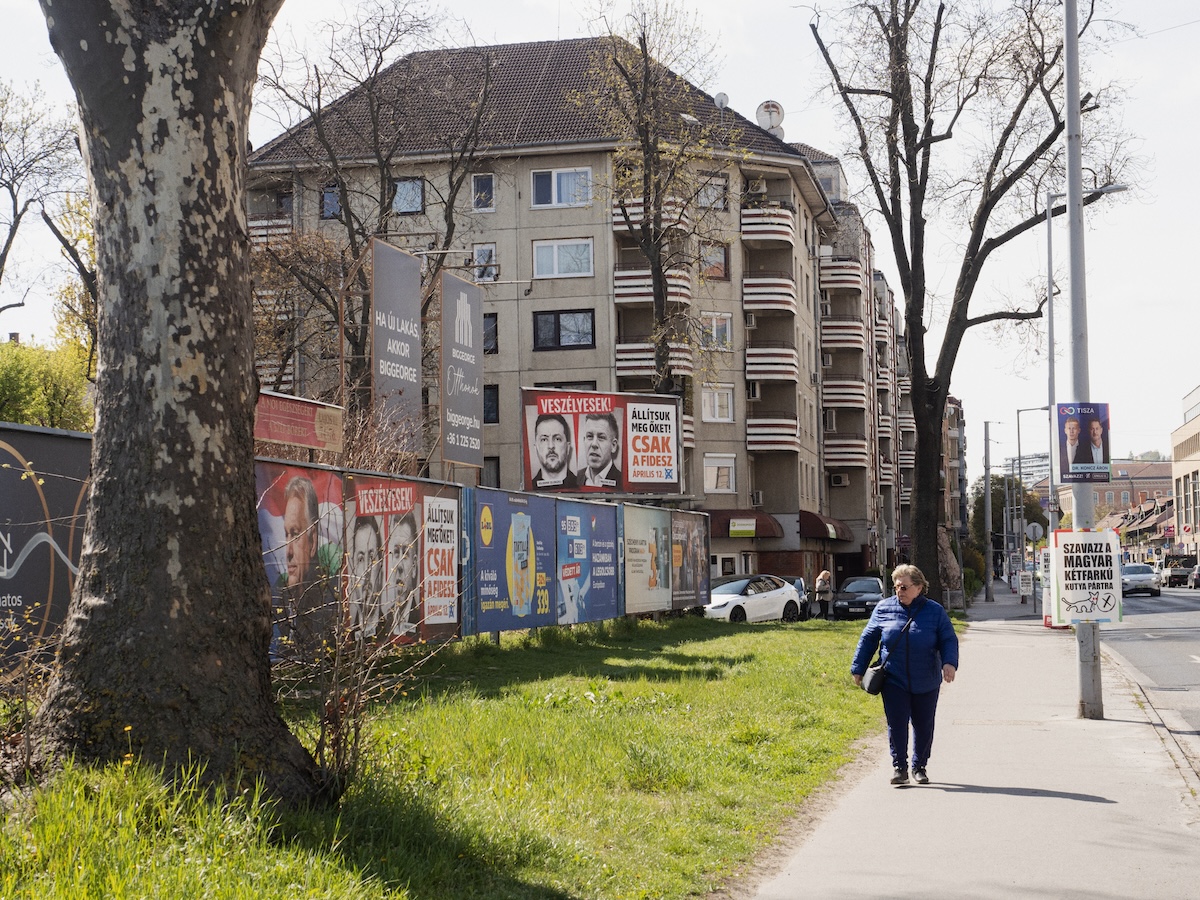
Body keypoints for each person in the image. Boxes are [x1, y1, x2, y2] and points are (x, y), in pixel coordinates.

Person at [851, 564, 959, 785]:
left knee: (923, 724)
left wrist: (949, 663)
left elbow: (948, 639)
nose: (899, 591)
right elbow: (868, 639)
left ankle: (919, 766)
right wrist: (858, 668)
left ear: (919, 587)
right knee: (897, 723)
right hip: (894, 678)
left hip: (926, 678)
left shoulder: (934, 611)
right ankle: (899, 767)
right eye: (897, 586)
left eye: (904, 587)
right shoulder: (883, 608)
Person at [279, 474, 338, 660]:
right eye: (286, 534)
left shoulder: (326, 594)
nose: (288, 551)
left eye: (295, 534)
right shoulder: (278, 596)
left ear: (312, 542)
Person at [384, 511, 420, 638]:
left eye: (405, 554)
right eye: (396, 553)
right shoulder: (386, 620)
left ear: (414, 565)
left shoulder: (420, 619)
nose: (398, 565)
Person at [347, 514, 383, 641]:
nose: (367, 570)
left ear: (381, 565)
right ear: (353, 568)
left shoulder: (389, 631)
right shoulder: (348, 638)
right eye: (361, 559)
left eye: (372, 558)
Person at [531, 413, 577, 489]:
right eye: (544, 439)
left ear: (568, 448)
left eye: (557, 439)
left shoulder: (582, 486)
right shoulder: (529, 489)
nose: (551, 446)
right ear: (536, 448)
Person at [576, 411, 621, 487]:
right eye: (589, 436)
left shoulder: (621, 482)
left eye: (601, 437)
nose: (594, 444)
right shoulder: (575, 479)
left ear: (613, 445)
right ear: (584, 440)